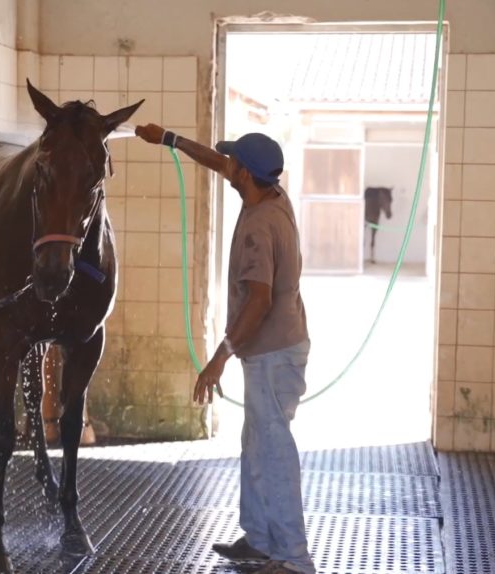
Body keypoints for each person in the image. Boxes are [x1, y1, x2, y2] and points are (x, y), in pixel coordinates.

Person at [135, 124, 315, 574]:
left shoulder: (260, 226)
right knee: (256, 442)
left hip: (273, 354)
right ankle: (259, 539)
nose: (226, 166)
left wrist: (218, 359)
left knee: (272, 448)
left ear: (246, 175)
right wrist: (171, 140)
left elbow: (258, 300)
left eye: (233, 163)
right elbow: (220, 163)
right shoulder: (270, 194)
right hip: (276, 349)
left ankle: (293, 557)